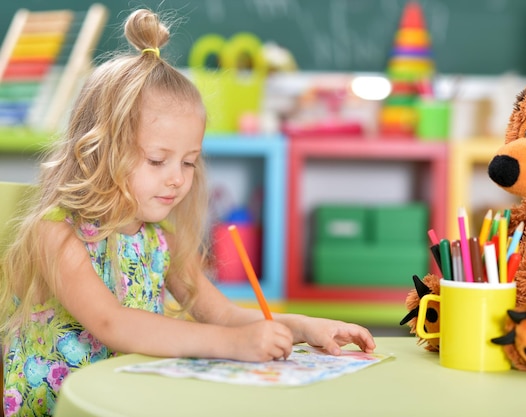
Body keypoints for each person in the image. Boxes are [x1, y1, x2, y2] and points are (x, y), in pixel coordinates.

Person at [0, 9, 375, 417]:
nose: (177, 179)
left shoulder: (160, 238)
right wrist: (230, 345)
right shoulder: (57, 232)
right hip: (58, 407)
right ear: (98, 151)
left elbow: (222, 313)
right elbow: (113, 324)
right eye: (158, 160)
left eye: (189, 162)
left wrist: (303, 328)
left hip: (126, 400)